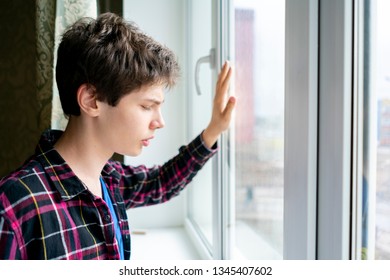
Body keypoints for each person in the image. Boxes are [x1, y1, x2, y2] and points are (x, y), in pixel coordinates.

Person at [0, 12, 235, 260]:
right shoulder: (15, 205)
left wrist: (214, 130)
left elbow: (162, 182)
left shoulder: (110, 179)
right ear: (91, 100)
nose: (160, 122)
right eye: (146, 106)